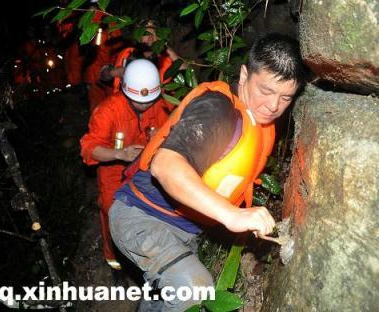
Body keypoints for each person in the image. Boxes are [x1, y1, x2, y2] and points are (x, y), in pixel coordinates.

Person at [108, 33, 307, 310]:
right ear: (244, 74)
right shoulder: (217, 110)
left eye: (286, 97)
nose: (273, 106)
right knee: (193, 288)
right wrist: (232, 215)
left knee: (165, 296)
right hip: (142, 217)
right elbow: (165, 165)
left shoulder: (261, 125)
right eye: (265, 91)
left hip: (182, 230)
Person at [80, 59, 173, 270]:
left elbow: (177, 127)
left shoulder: (160, 103)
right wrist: (120, 154)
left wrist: (162, 137)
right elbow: (88, 148)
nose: (146, 104)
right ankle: (115, 262)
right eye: (140, 101)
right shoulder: (108, 111)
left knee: (152, 213)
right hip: (114, 175)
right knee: (112, 214)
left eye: (150, 100)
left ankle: (148, 260)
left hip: (147, 171)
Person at [100, 20, 186, 95]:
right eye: (146, 33)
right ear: (138, 36)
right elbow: (102, 76)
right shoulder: (128, 52)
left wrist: (167, 48)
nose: (151, 37)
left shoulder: (166, 59)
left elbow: (186, 73)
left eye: (154, 33)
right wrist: (114, 72)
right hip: (123, 104)